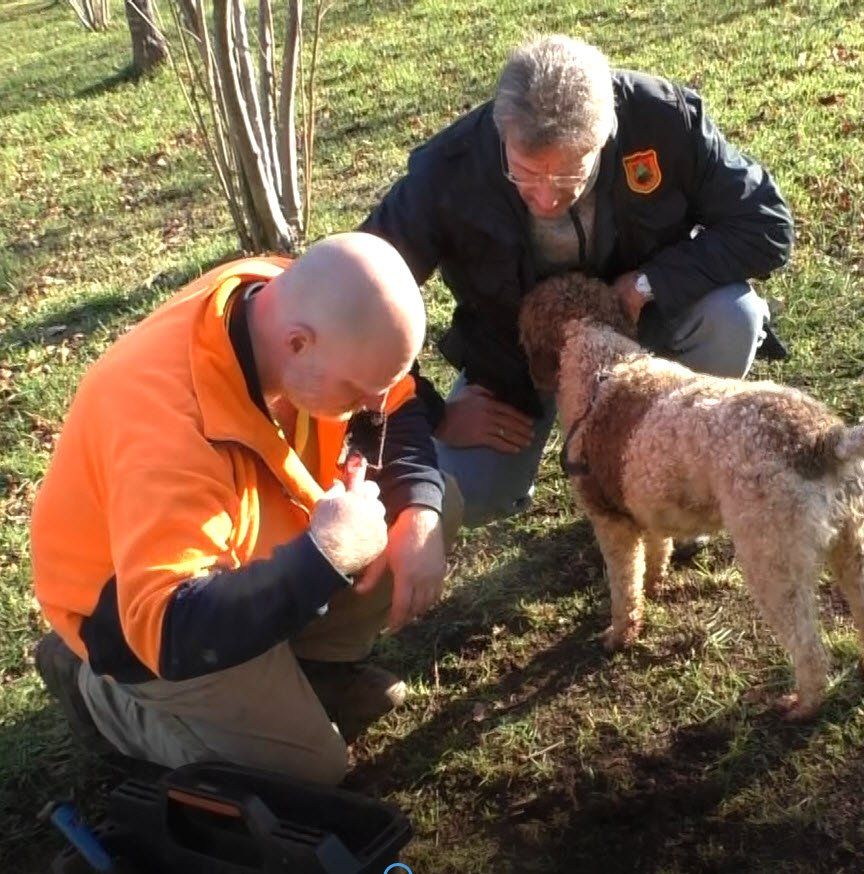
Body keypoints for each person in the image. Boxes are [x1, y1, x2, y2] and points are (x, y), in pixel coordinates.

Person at [31, 232, 462, 785]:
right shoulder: (164, 428)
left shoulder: (286, 301)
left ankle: (314, 669)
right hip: (143, 624)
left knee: (432, 506)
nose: (370, 407)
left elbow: (394, 402)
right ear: (298, 344)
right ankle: (100, 697)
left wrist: (420, 511)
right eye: (357, 393)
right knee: (309, 771)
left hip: (249, 550)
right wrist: (326, 555)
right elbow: (170, 627)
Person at [362, 35, 794, 527]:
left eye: (570, 177)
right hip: (514, 361)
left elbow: (767, 224)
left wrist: (649, 283)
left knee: (731, 317)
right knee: (466, 490)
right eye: (525, 174)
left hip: (648, 335)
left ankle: (674, 487)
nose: (547, 199)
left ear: (606, 134)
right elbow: (357, 292)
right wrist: (434, 412)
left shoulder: (663, 119)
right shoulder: (450, 170)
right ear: (503, 135)